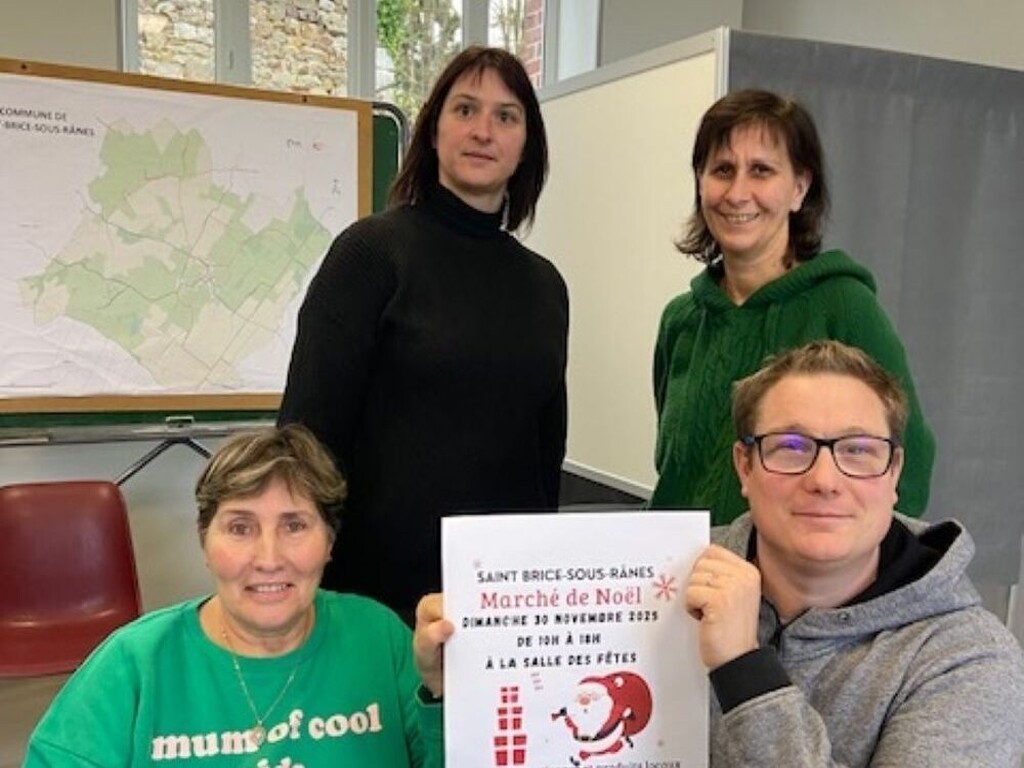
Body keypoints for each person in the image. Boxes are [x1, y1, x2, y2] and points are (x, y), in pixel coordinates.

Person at [278, 46, 568, 622]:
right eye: (465, 109)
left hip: (499, 600)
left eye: (506, 116)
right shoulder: (370, 254)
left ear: (526, 145)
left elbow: (543, 455)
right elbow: (307, 432)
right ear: (433, 130)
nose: (483, 130)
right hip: (371, 595)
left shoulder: (545, 286)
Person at [25, 424, 455, 767]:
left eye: (294, 525)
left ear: (329, 542)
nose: (268, 558)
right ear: (204, 541)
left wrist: (442, 691)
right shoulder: (133, 664)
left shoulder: (377, 637)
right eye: (240, 527)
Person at [685, 340, 1024, 766]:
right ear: (745, 467)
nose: (824, 479)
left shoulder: (966, 659)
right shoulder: (667, 580)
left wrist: (743, 670)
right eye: (791, 446)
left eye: (858, 450)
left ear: (894, 472)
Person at [651, 88, 934, 525]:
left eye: (761, 170)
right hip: (685, 582)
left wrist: (848, 580)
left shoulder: (844, 306)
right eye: (722, 170)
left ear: (799, 188)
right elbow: (674, 472)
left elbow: (908, 464)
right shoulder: (681, 321)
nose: (737, 192)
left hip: (793, 589)